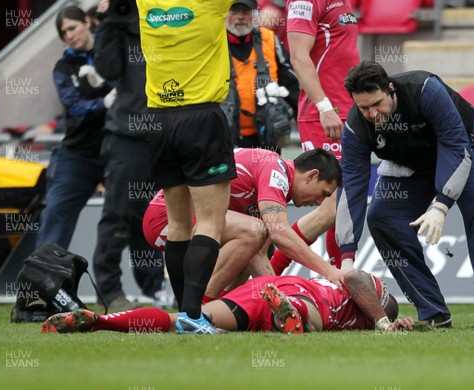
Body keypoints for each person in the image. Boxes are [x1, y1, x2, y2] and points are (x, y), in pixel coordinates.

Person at [336, 61, 474, 330]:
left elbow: (457, 146)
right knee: (382, 218)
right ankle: (433, 312)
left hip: (466, 151)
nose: (373, 114)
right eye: (364, 108)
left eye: (377, 104)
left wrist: (440, 205)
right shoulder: (356, 126)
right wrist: (347, 258)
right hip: (413, 169)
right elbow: (352, 184)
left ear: (390, 89)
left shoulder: (424, 89)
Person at [137, 0, 246, 334]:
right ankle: (191, 314)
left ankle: (186, 315)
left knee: (178, 224)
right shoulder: (209, 4)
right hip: (201, 118)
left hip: (158, 120)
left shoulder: (146, 4)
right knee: (211, 222)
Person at [142, 148, 347, 303]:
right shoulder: (275, 170)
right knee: (253, 232)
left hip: (182, 218)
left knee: (248, 249)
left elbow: (258, 258)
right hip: (165, 218)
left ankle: (217, 309)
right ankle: (199, 309)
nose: (320, 202)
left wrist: (284, 304)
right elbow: (280, 233)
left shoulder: (275, 183)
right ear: (312, 176)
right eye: (323, 194)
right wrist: (328, 271)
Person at [84, 0, 165, 312]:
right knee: (117, 214)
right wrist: (108, 22)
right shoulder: (116, 24)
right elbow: (106, 70)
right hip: (127, 135)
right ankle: (109, 290)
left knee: (168, 214)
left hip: (168, 129)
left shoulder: (166, 20)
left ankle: (162, 289)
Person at [268, 0, 360, 274]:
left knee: (342, 208)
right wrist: (324, 106)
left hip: (347, 111)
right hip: (326, 114)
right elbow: (298, 56)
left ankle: (339, 279)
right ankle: (267, 277)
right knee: (332, 207)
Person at [41, 269, 415, 334]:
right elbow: (352, 277)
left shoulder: (365, 313)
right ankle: (288, 318)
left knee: (181, 321)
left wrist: (399, 322)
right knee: (315, 320)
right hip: (302, 298)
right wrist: (385, 322)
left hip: (263, 289)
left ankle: (101, 321)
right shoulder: (366, 295)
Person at [36, 6, 115, 250]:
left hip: (116, 152)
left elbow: (130, 85)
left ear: (87, 23)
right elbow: (75, 106)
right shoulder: (63, 67)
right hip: (77, 154)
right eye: (64, 32)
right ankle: (42, 284)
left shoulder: (111, 50)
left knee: (133, 216)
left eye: (73, 27)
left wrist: (105, 83)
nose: (69, 35)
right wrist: (104, 101)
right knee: (56, 215)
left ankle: (151, 288)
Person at [225, 0, 299, 150]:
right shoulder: (212, 42)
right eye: (234, 11)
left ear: (255, 14)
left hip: (265, 138)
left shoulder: (270, 39)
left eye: (246, 12)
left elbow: (292, 87)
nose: (240, 17)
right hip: (225, 138)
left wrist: (305, 120)